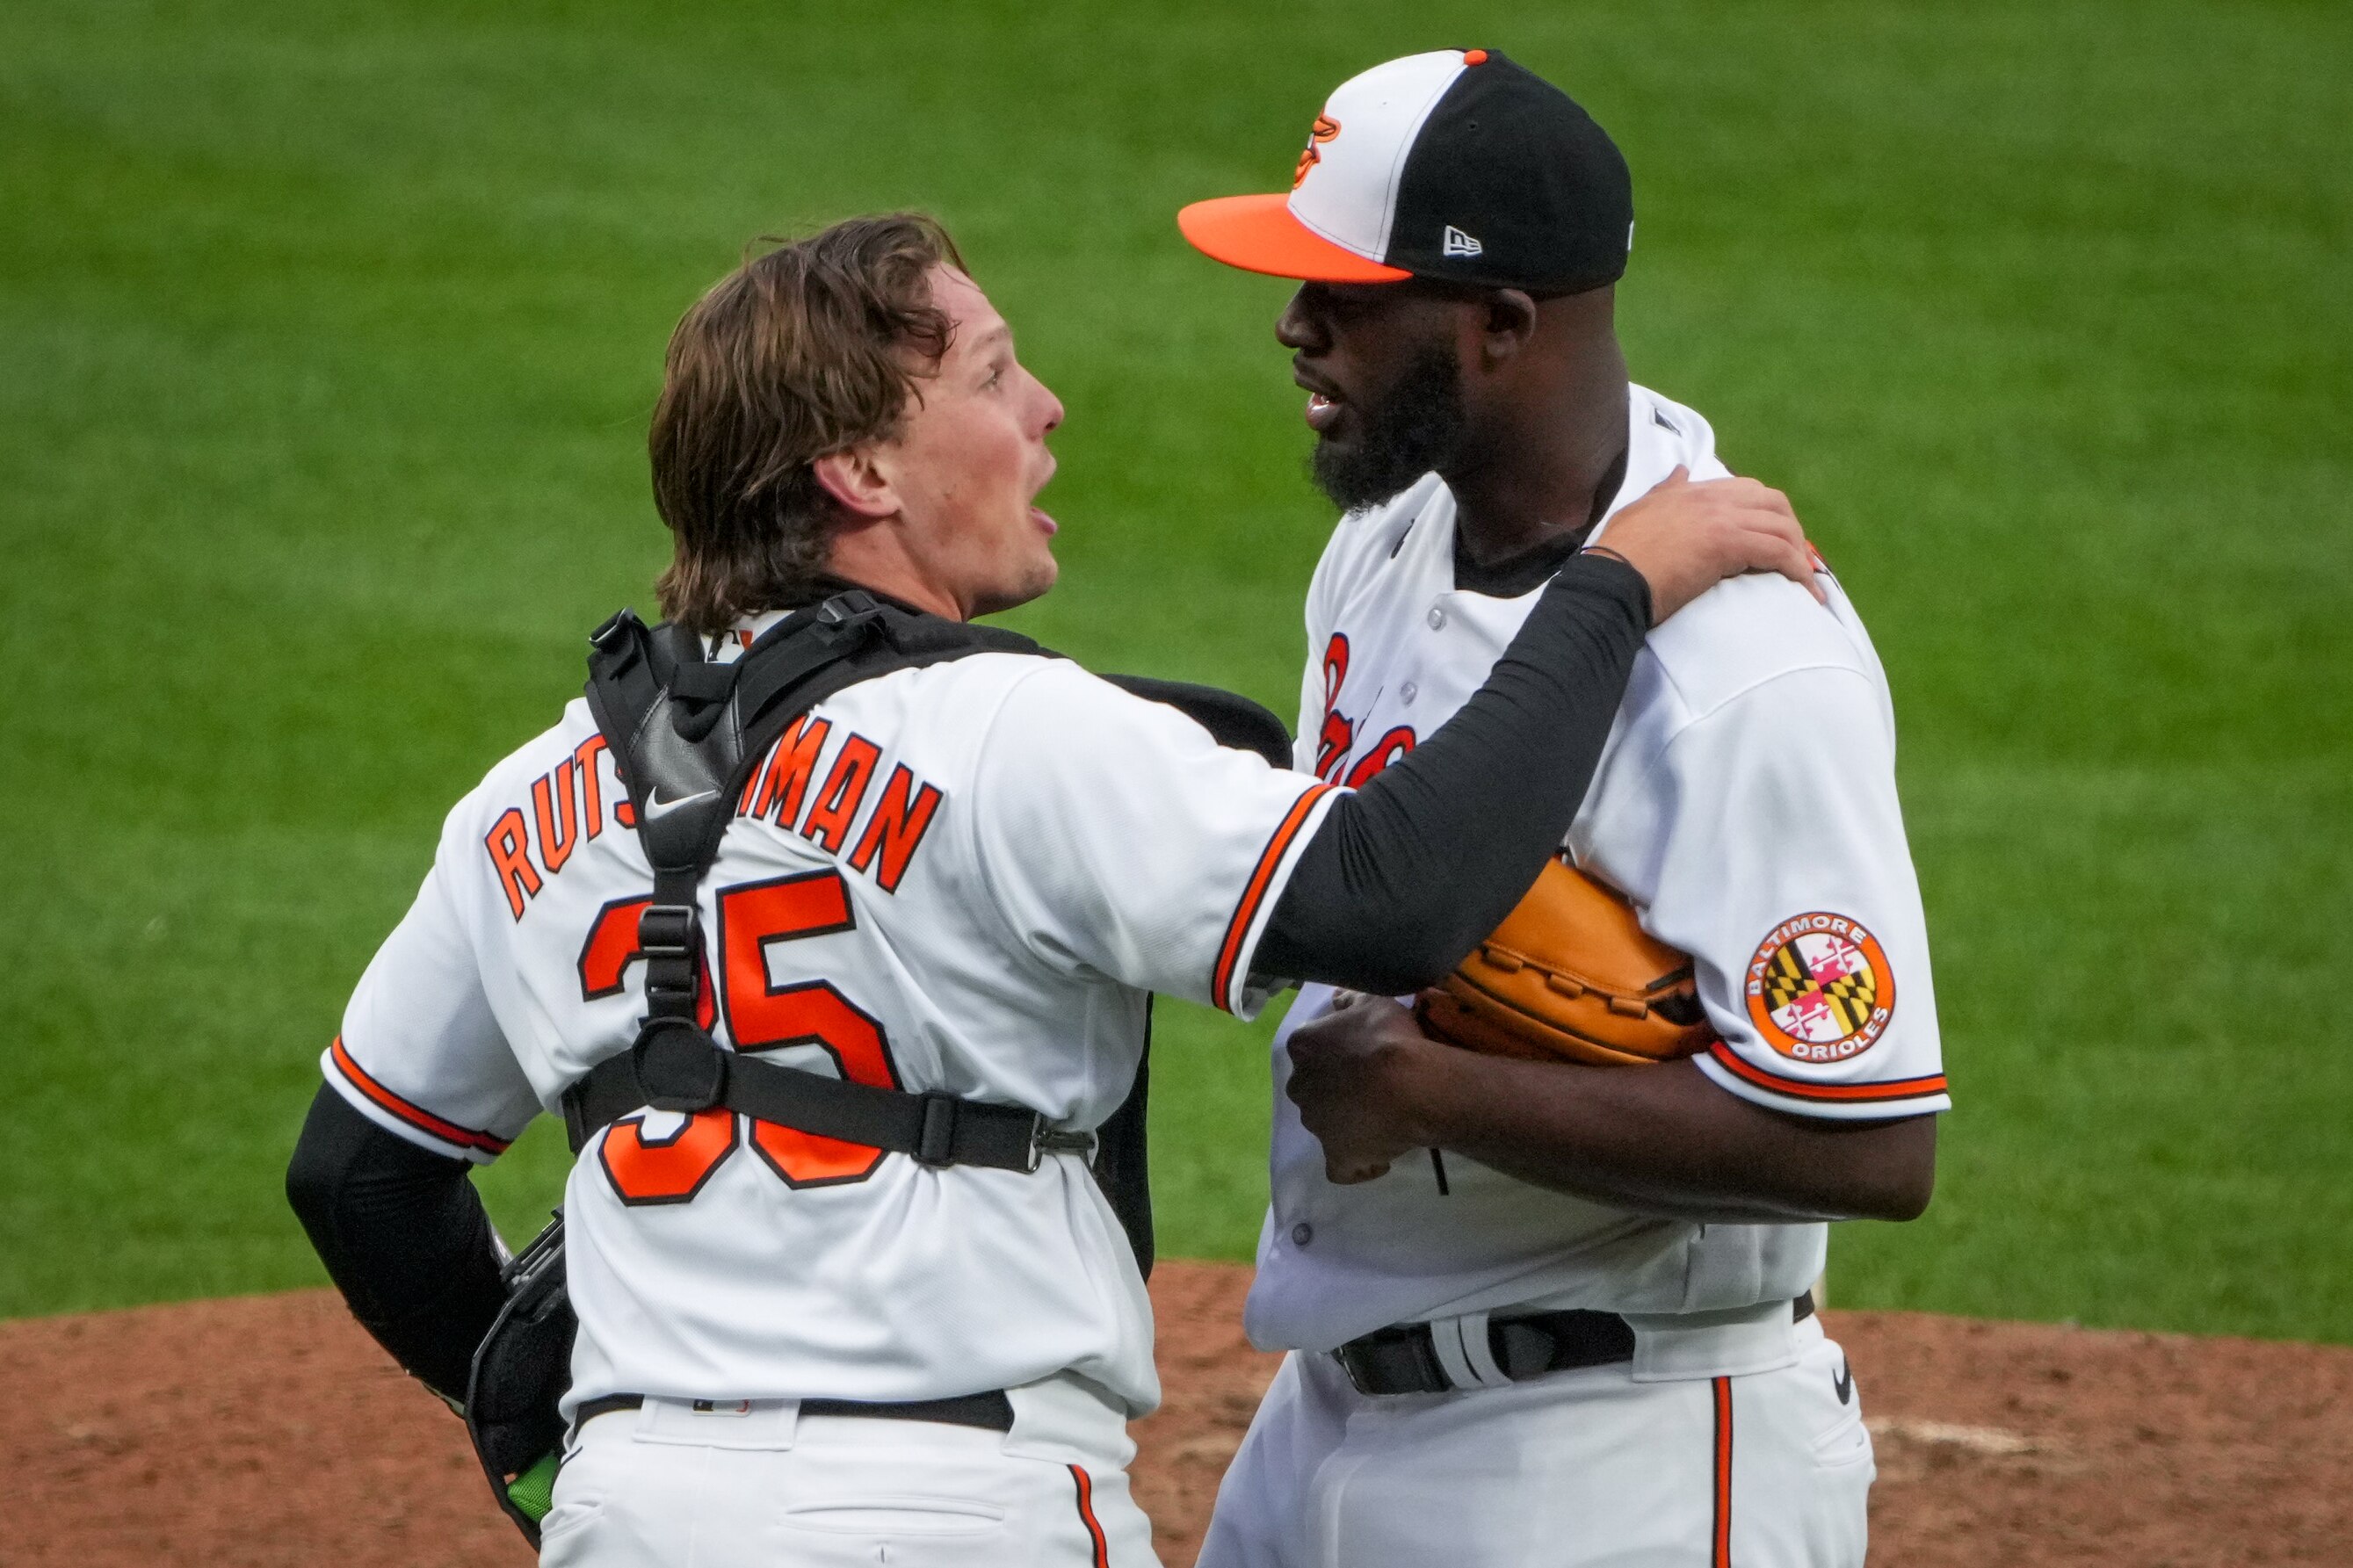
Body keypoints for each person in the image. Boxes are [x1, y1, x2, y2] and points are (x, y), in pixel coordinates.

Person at [283, 212, 1820, 1567]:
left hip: (634, 1510)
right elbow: (1391, 895)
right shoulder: (1015, 733)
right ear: (862, 468)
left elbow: (359, 1174)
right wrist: (1617, 585)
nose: (1046, 408)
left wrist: (582, 1419)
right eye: (993, 375)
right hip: (958, 1510)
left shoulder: (526, 801)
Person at [1176, 49, 1947, 1568]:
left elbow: (1870, 1144)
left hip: (1615, 1457)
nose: (1292, 326)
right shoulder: (1391, 541)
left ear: (1500, 326)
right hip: (1331, 1412)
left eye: (1344, 295)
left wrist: (1428, 1091)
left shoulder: (1742, 669)